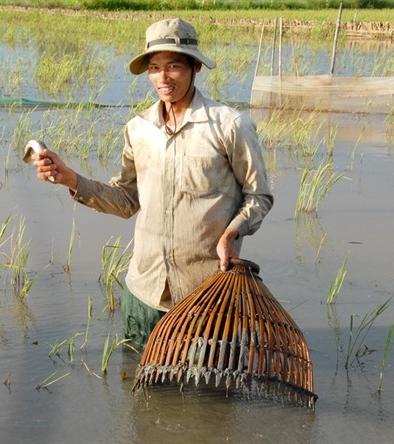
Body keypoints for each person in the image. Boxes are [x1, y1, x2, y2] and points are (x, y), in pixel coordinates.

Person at [32, 18, 273, 346]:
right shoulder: (139, 128)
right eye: (155, 68)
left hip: (207, 295)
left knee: (206, 392)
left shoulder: (229, 126)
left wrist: (232, 233)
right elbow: (127, 200)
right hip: (144, 292)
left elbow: (258, 195)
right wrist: (70, 178)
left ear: (194, 67)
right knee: (141, 390)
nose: (163, 78)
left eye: (173, 65)